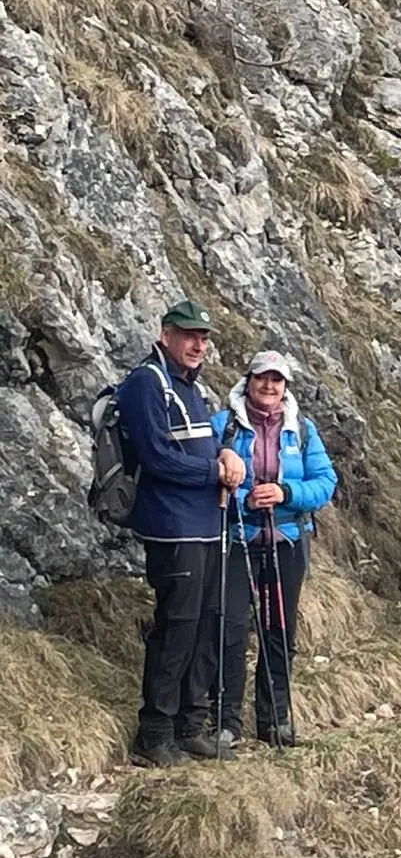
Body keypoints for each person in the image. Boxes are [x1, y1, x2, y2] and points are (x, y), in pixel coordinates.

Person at [118, 300, 245, 766]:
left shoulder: (192, 387)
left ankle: (190, 724)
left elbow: (203, 446)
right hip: (172, 527)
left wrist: (227, 454)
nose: (198, 345)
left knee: (207, 623)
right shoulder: (145, 383)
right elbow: (156, 458)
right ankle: (153, 734)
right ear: (165, 334)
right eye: (189, 336)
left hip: (207, 525)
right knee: (177, 627)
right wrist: (214, 471)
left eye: (204, 338)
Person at [212, 351, 337, 747]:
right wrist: (246, 499)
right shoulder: (224, 425)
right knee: (229, 628)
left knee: (279, 631)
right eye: (262, 378)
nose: (269, 386)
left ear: (285, 386)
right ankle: (225, 720)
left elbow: (325, 482)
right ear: (247, 381)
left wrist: (285, 492)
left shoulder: (300, 429)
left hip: (287, 540)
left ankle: (274, 718)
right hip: (238, 540)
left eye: (277, 380)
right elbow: (208, 481)